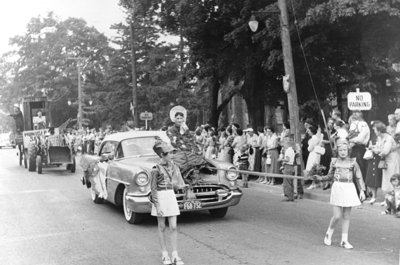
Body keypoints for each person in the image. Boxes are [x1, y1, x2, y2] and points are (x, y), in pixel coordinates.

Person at [314, 139, 366, 249]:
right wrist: (320, 178)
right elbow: (330, 176)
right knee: (337, 216)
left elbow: (358, 176)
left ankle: (344, 240)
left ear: (348, 150)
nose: (343, 152)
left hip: (349, 188)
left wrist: (362, 190)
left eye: (345, 150)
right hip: (337, 187)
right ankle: (329, 233)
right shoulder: (334, 162)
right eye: (341, 150)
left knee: (346, 216)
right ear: (337, 151)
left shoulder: (353, 162)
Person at [150, 142, 186, 265]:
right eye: (169, 153)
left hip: (170, 196)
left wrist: (181, 187)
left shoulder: (173, 167)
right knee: (161, 226)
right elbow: (153, 189)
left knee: (174, 226)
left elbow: (175, 184)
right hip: (160, 197)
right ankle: (165, 254)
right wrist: (157, 205)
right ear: (162, 155)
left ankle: (175, 254)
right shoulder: (155, 169)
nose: (171, 155)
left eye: (171, 152)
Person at [370, 121, 400, 196]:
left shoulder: (388, 138)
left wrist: (376, 151)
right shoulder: (380, 137)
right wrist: (375, 148)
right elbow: (379, 147)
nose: (374, 132)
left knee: (392, 177)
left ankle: (394, 196)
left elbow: (385, 151)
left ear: (379, 131)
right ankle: (388, 196)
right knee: (386, 178)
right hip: (386, 161)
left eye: (375, 130)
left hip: (392, 160)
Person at [281, 134, 302, 201]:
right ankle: (292, 194)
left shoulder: (293, 147)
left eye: (287, 140)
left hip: (294, 164)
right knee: (291, 180)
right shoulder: (289, 148)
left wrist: (281, 160)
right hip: (292, 164)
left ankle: (294, 194)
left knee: (292, 180)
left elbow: (296, 156)